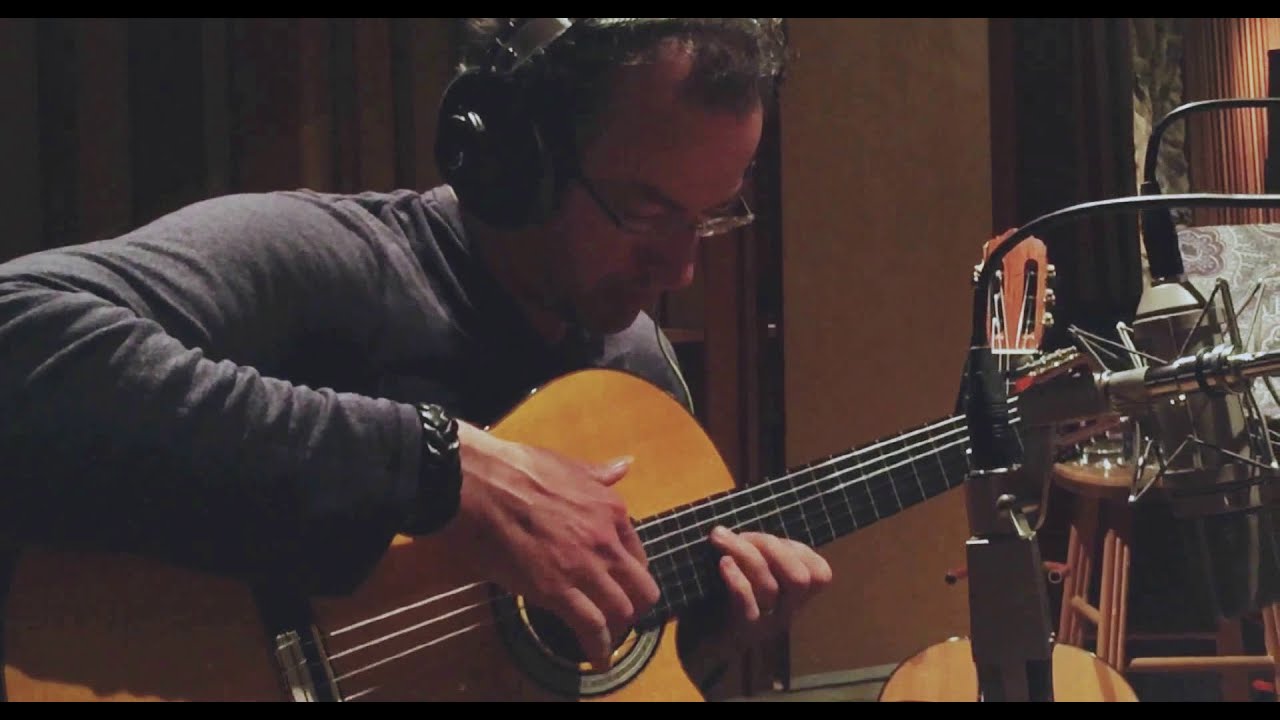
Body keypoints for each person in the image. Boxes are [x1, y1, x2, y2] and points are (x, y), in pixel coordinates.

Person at [0, 18, 831, 698]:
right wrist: (441, 469)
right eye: (645, 213)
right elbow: (19, 332)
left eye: (708, 217)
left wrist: (697, 646)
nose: (681, 270)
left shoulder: (637, 370)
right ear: (519, 159)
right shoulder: (327, 261)